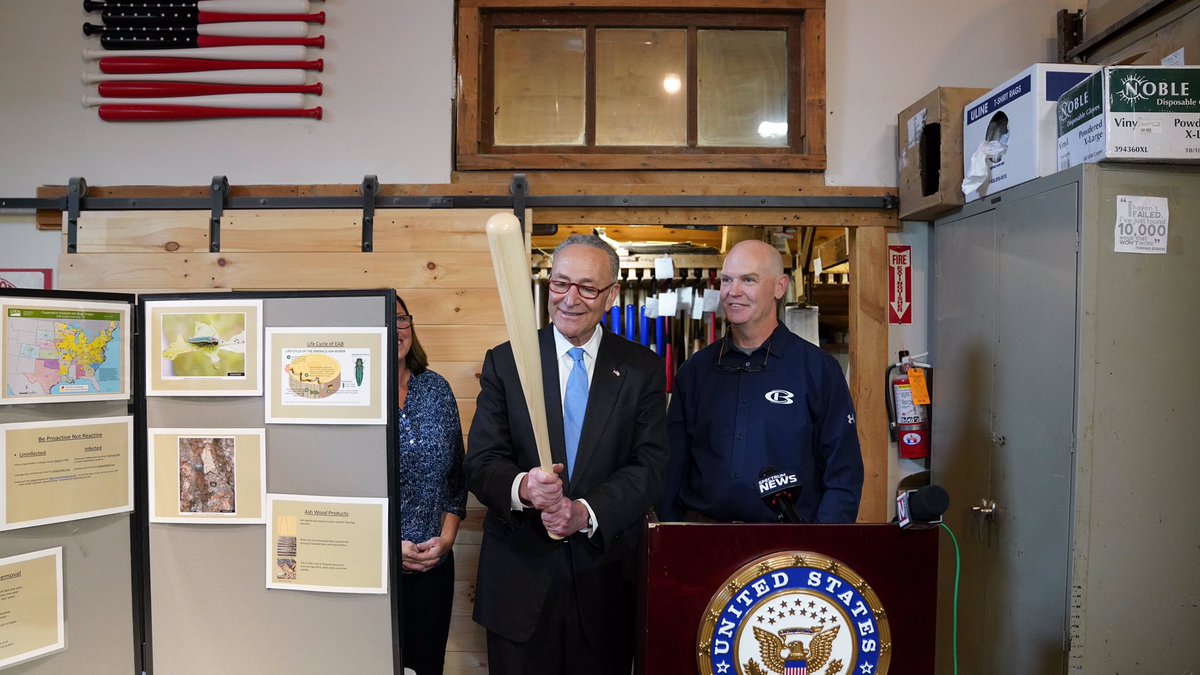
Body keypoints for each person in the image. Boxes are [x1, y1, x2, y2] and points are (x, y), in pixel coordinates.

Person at [465, 234, 668, 675]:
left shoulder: (641, 368)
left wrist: (585, 512)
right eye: (560, 284)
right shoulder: (508, 361)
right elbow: (482, 462)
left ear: (612, 294)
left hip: (605, 586)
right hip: (519, 588)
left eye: (587, 287)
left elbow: (650, 465)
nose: (570, 299)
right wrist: (524, 488)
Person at [660, 239, 863, 524]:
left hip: (788, 548)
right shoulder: (695, 371)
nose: (734, 292)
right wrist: (672, 534)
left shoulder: (817, 370)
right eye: (727, 280)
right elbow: (671, 467)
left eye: (749, 280)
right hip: (702, 542)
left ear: (779, 287)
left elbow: (842, 472)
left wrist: (821, 544)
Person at [394, 295, 467, 675]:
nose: (395, 330)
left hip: (433, 566)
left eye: (402, 319)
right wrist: (391, 547)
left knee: (426, 669)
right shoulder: (351, 396)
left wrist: (448, 539)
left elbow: (457, 476)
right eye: (384, 321)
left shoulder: (436, 389)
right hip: (371, 566)